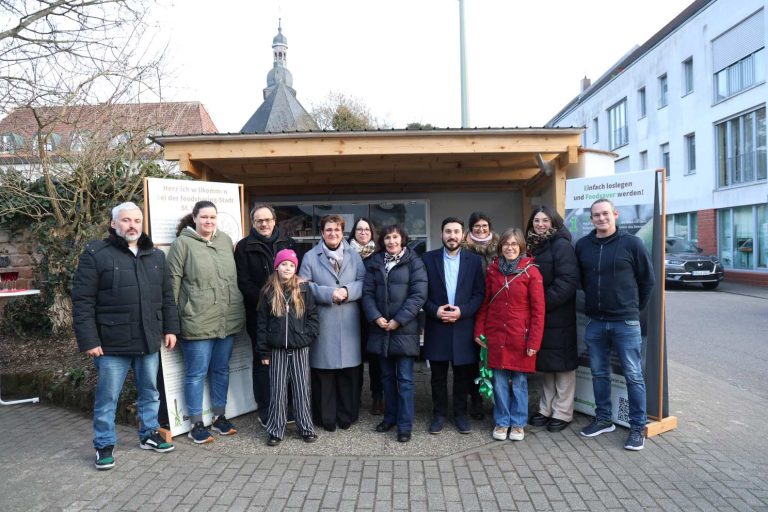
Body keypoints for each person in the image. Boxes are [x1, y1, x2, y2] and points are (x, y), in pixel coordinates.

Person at [72, 202, 179, 470]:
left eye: (137, 221)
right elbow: (82, 300)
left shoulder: (155, 255)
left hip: (148, 337)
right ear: (113, 224)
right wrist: (90, 340)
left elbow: (166, 296)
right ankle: (104, 445)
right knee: (108, 397)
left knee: (150, 392)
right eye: (126, 220)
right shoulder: (96, 254)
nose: (132, 225)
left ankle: (149, 434)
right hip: (110, 342)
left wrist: (170, 328)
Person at [575, 198, 655, 451]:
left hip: (625, 321)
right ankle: (603, 419)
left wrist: (632, 308)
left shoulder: (632, 243)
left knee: (633, 375)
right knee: (599, 373)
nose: (601, 218)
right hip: (595, 322)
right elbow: (582, 281)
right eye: (596, 215)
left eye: (605, 214)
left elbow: (647, 281)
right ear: (592, 218)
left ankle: (636, 428)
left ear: (615, 215)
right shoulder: (583, 246)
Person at [166, 200, 246, 445]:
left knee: (221, 369)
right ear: (195, 218)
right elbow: (172, 284)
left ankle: (220, 417)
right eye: (204, 217)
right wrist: (172, 323)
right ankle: (196, 424)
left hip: (226, 319)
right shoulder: (183, 244)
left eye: (212, 217)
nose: (209, 221)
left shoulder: (224, 241)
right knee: (196, 374)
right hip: (196, 321)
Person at [474, 228, 544, 442]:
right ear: (500, 246)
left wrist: (534, 341)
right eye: (506, 244)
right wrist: (479, 329)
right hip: (496, 334)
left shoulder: (531, 272)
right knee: (500, 382)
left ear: (521, 247)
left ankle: (518, 423)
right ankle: (502, 421)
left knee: (520, 382)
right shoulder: (493, 270)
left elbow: (538, 311)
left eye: (514, 244)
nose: (510, 248)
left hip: (520, 336)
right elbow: (485, 303)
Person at [299, 214, 366, 432]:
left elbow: (364, 282)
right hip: (323, 321)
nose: (333, 233)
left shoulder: (354, 255)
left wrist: (347, 291)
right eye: (328, 230)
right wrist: (329, 293)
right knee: (324, 373)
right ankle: (325, 418)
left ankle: (347, 415)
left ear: (342, 232)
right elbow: (304, 286)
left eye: (337, 230)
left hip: (349, 322)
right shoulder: (310, 257)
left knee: (348, 373)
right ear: (322, 232)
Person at [363, 225, 428, 443]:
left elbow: (418, 295)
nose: (391, 241)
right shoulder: (374, 263)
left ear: (403, 239)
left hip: (404, 330)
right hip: (380, 329)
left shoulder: (414, 262)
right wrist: (376, 317)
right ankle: (389, 418)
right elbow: (367, 294)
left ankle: (405, 424)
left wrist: (398, 320)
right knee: (387, 379)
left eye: (395, 237)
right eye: (387, 238)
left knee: (406, 380)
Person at [235, 204, 297, 426]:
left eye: (268, 219)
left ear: (274, 220)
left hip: (287, 313)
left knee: (287, 360)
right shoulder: (244, 247)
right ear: (252, 222)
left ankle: (287, 406)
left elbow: (295, 274)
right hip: (259, 313)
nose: (264, 224)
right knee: (263, 361)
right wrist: (266, 301)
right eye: (259, 220)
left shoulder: (287, 242)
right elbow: (243, 281)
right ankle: (266, 409)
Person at [422, 217, 485, 435]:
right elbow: (420, 293)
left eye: (456, 232)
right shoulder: (427, 259)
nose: (452, 236)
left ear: (463, 235)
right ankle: (439, 414)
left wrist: (463, 311)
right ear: (441, 234)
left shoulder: (474, 261)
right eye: (448, 231)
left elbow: (479, 294)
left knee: (463, 376)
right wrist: (434, 310)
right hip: (437, 325)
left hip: (463, 326)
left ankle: (460, 414)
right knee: (437, 376)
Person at [525, 205, 580, 433]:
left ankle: (563, 412)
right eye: (536, 220)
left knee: (563, 366)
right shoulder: (533, 247)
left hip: (558, 315)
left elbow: (566, 283)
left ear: (554, 222)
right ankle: (546, 409)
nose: (540, 224)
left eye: (544, 220)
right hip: (541, 316)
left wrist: (540, 304)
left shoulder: (562, 246)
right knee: (547, 364)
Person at [256, 249, 319, 446]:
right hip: (276, 351)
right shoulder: (268, 291)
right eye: (284, 264)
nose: (288, 268)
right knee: (278, 392)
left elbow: (313, 319)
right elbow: (262, 324)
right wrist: (263, 351)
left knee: (301, 390)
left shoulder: (304, 290)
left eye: (291, 265)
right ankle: (276, 429)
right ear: (277, 266)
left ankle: (306, 428)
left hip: (300, 349)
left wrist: (305, 337)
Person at [462, 211, 499, 419]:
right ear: (471, 228)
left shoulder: (500, 248)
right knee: (472, 359)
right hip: (471, 310)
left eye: (484, 226)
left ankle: (496, 401)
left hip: (495, 310)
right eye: (476, 226)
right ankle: (475, 399)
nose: (481, 229)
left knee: (493, 358)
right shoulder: (464, 249)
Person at [348, 217, 384, 415]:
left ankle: (377, 397)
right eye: (359, 230)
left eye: (366, 230)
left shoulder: (378, 255)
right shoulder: (345, 254)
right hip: (350, 312)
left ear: (372, 233)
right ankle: (354, 397)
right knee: (354, 358)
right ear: (354, 233)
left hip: (373, 313)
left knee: (376, 359)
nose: (362, 233)